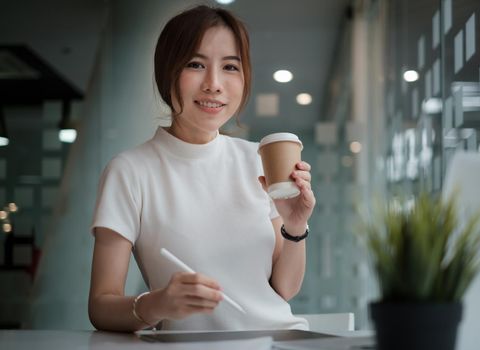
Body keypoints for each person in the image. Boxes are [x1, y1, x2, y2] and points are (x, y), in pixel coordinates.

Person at [88, 5, 316, 332]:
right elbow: (100, 305)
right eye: (196, 64)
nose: (214, 84)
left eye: (230, 67)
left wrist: (295, 228)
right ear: (167, 72)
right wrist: (157, 304)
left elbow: (283, 290)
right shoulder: (129, 171)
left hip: (278, 340)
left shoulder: (257, 159)